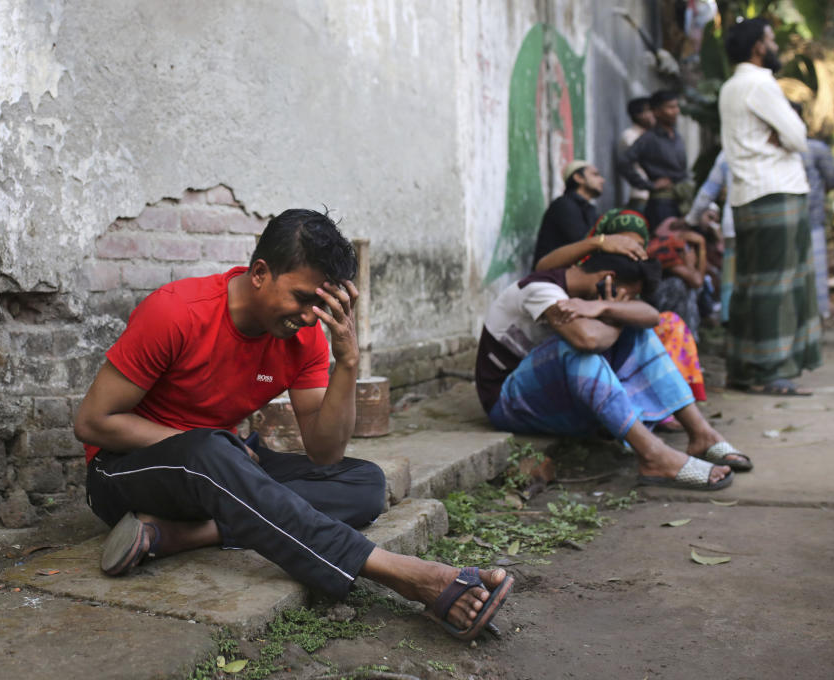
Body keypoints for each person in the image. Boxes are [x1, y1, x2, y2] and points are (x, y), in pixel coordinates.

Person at [74, 209, 513, 641]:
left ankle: (176, 535)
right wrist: (211, 444)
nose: (308, 316)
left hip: (219, 470)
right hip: (125, 473)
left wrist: (348, 361)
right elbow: (93, 422)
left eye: (319, 304)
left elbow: (326, 453)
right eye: (302, 298)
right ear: (261, 272)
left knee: (363, 482)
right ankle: (407, 575)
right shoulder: (177, 312)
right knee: (211, 452)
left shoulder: (303, 338)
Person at [476, 249, 751, 492]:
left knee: (639, 332)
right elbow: (588, 339)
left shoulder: (588, 298)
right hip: (508, 404)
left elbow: (651, 316)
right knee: (576, 350)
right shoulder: (542, 290)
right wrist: (617, 314)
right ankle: (653, 455)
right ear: (607, 278)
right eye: (627, 293)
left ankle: (701, 434)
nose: (627, 300)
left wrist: (606, 305)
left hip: (552, 402)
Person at [719, 18, 820, 396]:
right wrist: (784, 135)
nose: (775, 45)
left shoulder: (731, 86)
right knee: (778, 285)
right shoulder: (760, 83)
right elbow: (798, 137)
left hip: (747, 194)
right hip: (776, 191)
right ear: (758, 47)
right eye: (771, 40)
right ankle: (771, 371)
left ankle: (743, 368)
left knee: (750, 284)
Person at [535, 208, 708, 404]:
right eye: (623, 244)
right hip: (579, 346)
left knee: (669, 324)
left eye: (638, 246)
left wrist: (612, 310)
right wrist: (597, 243)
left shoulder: (635, 275)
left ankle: (671, 402)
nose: (630, 252)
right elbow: (542, 269)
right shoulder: (584, 270)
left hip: (613, 340)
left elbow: (651, 315)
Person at [618, 90, 693, 229]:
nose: (675, 111)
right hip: (662, 203)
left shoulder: (676, 136)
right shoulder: (648, 138)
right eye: (670, 107)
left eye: (676, 107)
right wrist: (648, 185)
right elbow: (623, 162)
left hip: (682, 200)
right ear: (657, 112)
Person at [792, 101, 834, 316]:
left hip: (813, 219)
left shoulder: (816, 149)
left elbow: (832, 179)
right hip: (786, 224)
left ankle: (819, 316)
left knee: (817, 272)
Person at [686, 152, 735, 324]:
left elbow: (707, 193)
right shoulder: (769, 146)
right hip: (762, 228)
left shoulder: (728, 153)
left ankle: (731, 324)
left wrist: (690, 219)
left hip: (734, 226)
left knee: (732, 279)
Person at [531, 160, 603, 267]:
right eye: (595, 175)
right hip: (552, 278)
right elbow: (584, 242)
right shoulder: (563, 205)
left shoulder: (589, 209)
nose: (602, 180)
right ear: (578, 177)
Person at [618, 97, 655, 213]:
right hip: (641, 195)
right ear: (638, 115)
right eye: (648, 110)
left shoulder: (651, 135)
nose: (652, 114)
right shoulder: (630, 135)